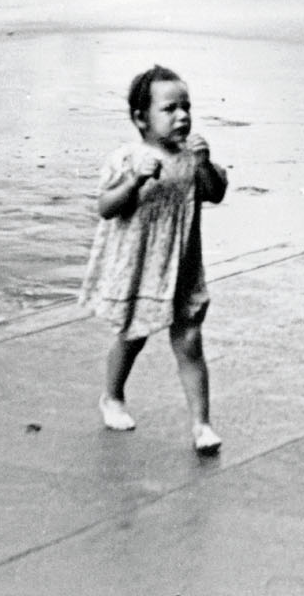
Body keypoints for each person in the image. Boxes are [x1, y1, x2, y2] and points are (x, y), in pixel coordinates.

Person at [78, 64, 227, 452]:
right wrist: (135, 180)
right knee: (133, 336)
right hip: (139, 266)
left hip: (182, 266)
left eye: (186, 107)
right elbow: (106, 207)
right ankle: (112, 395)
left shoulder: (191, 158)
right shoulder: (127, 159)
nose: (182, 116)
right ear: (141, 118)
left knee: (190, 340)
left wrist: (205, 164)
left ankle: (201, 425)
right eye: (170, 109)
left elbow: (214, 192)